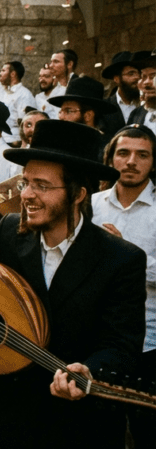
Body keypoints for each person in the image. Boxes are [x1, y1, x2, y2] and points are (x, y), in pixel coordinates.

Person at [0, 119, 146, 449]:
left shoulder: (121, 259)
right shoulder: (10, 231)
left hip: (77, 425)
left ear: (78, 194)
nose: (26, 195)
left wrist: (89, 370)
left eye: (41, 185)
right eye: (26, 182)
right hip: (6, 417)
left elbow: (122, 344)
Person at [92, 125, 156, 448]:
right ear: (110, 158)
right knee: (101, 432)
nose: (131, 161)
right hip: (98, 337)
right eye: (123, 153)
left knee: (148, 432)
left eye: (142, 155)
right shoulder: (91, 204)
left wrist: (124, 252)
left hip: (150, 340)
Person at [101, 51, 142, 131]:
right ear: (116, 79)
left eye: (139, 73)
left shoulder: (147, 104)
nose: (137, 77)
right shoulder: (105, 108)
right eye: (131, 73)